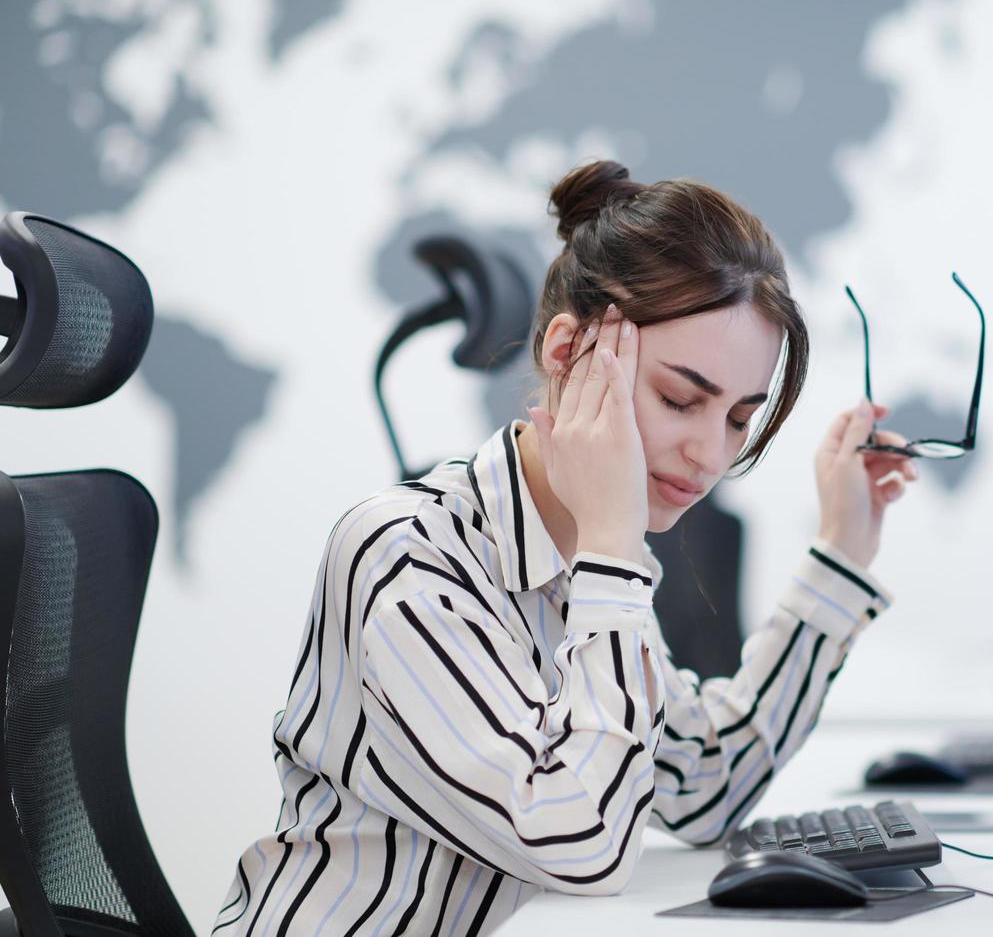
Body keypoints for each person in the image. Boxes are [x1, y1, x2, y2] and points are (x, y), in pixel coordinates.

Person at [213, 160, 918, 935]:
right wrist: (611, 549)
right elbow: (583, 846)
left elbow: (707, 783)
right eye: (679, 399)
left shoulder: (581, 562)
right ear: (567, 352)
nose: (709, 455)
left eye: (737, 419)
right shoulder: (406, 559)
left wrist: (841, 554)